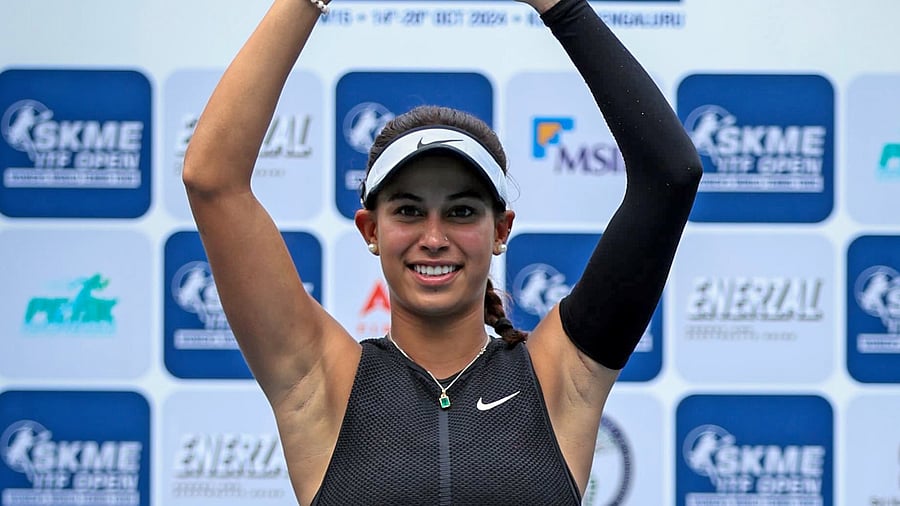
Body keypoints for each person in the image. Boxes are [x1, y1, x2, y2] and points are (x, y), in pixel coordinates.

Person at [181, 0, 702, 503]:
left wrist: (560, 5)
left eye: (460, 212)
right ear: (370, 230)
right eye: (408, 211)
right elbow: (212, 181)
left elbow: (671, 176)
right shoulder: (321, 383)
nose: (434, 237)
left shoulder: (558, 380)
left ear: (501, 229)